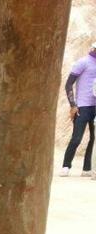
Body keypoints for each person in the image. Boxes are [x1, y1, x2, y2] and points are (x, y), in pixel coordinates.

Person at [60, 42, 96, 179]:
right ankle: (66, 166)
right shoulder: (83, 62)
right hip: (82, 106)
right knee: (76, 138)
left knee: (94, 139)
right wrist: (73, 104)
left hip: (95, 106)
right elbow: (68, 84)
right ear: (93, 49)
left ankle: (87, 168)